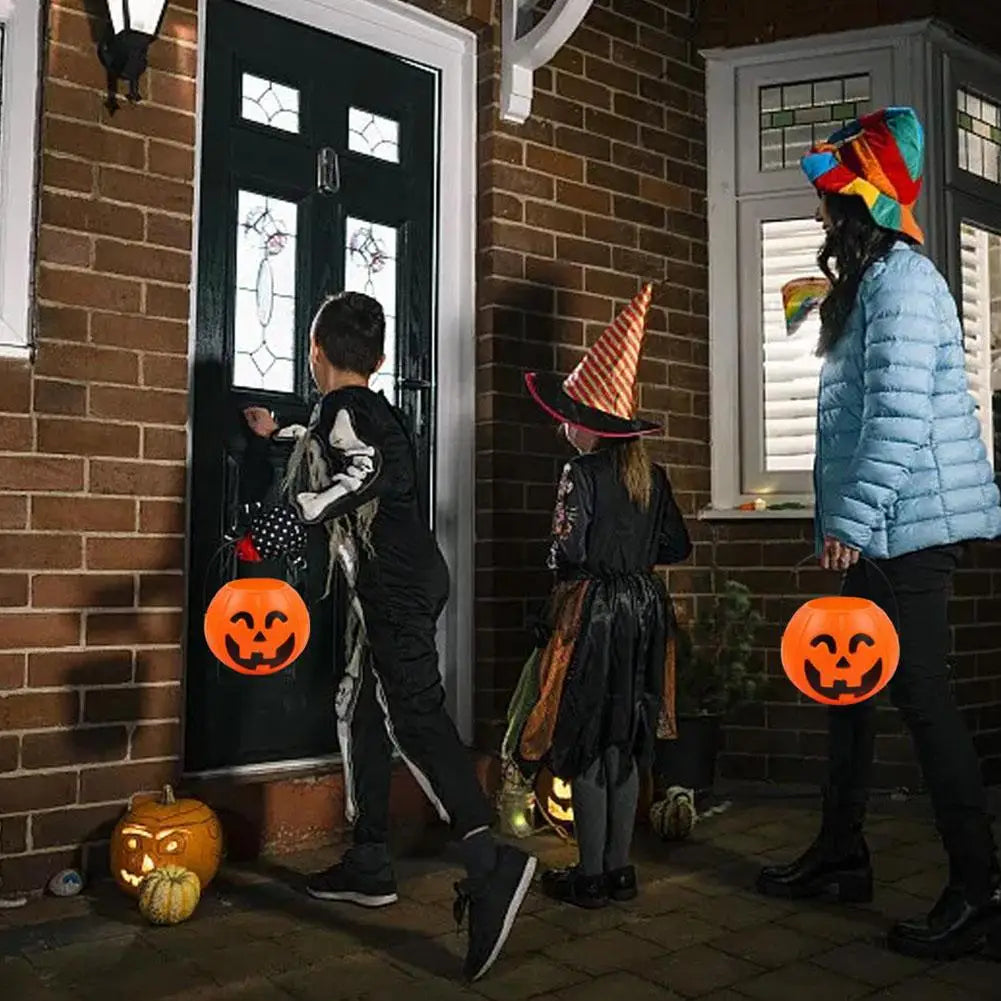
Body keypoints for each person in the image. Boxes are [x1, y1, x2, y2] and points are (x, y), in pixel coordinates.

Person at [755, 107, 1001, 960]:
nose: (818, 210)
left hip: (910, 530)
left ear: (857, 203)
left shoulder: (904, 285)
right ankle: (840, 851)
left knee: (922, 699)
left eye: (828, 195)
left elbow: (896, 418)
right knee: (849, 693)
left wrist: (851, 522)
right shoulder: (869, 284)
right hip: (882, 527)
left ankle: (979, 886)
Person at [242, 291, 535, 981]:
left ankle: (490, 862)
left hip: (396, 589)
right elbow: (337, 445)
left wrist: (294, 516)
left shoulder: (345, 412)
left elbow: (364, 467)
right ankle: (370, 858)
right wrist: (278, 431)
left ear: (314, 352)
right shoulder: (363, 408)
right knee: (358, 705)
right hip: (400, 583)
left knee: (413, 717)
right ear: (377, 361)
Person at [507, 283, 692, 908]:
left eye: (569, 414)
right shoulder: (653, 476)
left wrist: (580, 568)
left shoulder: (578, 473)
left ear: (589, 424)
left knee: (586, 736)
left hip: (596, 615)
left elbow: (566, 552)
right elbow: (677, 546)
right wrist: (634, 559)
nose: (562, 424)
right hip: (645, 612)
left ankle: (589, 874)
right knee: (626, 738)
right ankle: (619, 869)